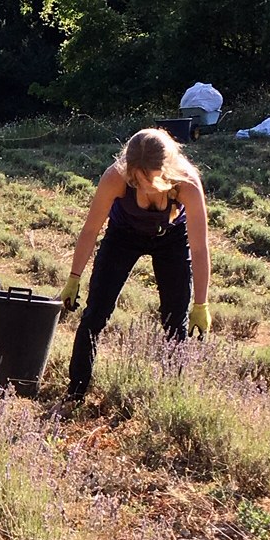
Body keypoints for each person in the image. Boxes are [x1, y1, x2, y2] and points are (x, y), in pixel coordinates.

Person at [60, 127, 212, 399]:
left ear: (166, 170)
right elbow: (90, 230)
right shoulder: (115, 177)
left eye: (150, 179)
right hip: (123, 236)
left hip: (171, 240)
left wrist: (200, 304)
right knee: (95, 314)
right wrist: (74, 277)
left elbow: (200, 249)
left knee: (174, 322)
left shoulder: (187, 183)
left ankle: (171, 398)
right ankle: (76, 392)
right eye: (137, 179)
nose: (143, 185)